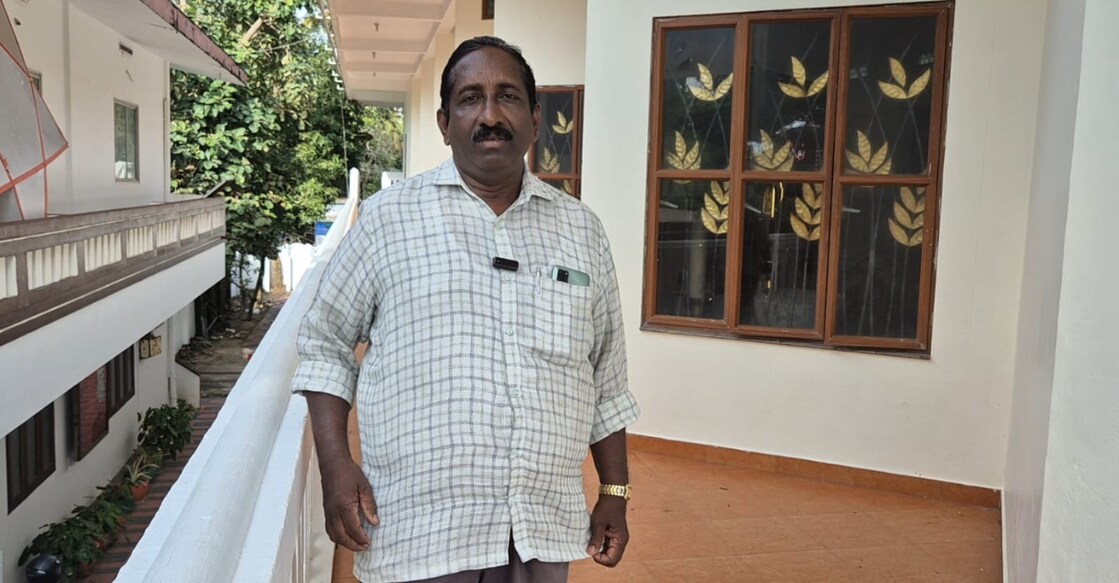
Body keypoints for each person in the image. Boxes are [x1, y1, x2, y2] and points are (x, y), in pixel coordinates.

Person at [290, 36, 640, 583]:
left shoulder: (582, 232)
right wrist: (336, 468)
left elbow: (606, 378)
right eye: (471, 98)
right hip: (422, 536)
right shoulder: (389, 222)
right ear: (444, 121)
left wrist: (614, 493)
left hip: (541, 534)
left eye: (508, 97)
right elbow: (325, 344)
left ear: (535, 118)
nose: (491, 115)